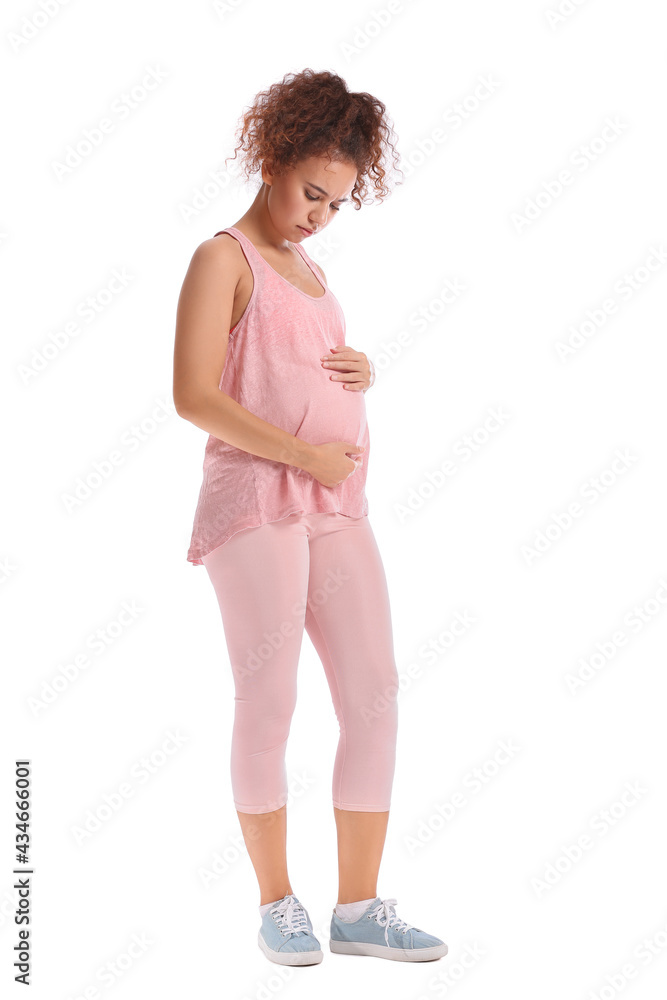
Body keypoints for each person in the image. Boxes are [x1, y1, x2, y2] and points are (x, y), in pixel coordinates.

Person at [173, 68, 447, 967]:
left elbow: (296, 359)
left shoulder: (309, 265)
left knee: (373, 695)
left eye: (336, 203)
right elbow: (193, 396)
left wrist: (356, 370)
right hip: (258, 501)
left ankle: (359, 907)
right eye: (310, 192)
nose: (317, 214)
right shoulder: (224, 257)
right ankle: (276, 902)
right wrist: (302, 453)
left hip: (337, 503)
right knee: (272, 697)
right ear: (272, 157)